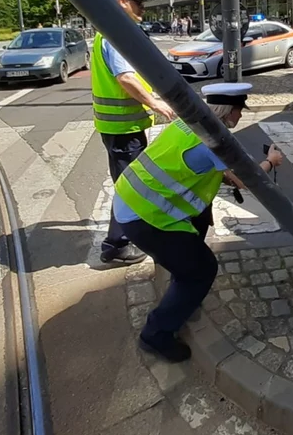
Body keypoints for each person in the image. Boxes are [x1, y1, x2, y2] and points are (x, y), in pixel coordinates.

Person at [114, 83, 284, 362]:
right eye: (240, 111)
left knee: (192, 248)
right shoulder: (215, 141)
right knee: (201, 270)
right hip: (144, 216)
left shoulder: (187, 124)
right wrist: (271, 161)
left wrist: (224, 175)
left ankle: (182, 299)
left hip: (129, 198)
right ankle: (155, 335)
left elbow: (197, 166)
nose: (241, 117)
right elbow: (246, 180)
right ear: (229, 112)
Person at [91, 0, 176, 265]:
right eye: (138, 2)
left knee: (131, 184)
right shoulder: (114, 35)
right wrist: (155, 103)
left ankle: (129, 234)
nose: (143, 8)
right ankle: (116, 245)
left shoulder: (113, 33)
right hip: (122, 129)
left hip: (123, 127)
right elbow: (125, 77)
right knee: (129, 187)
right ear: (122, 3)